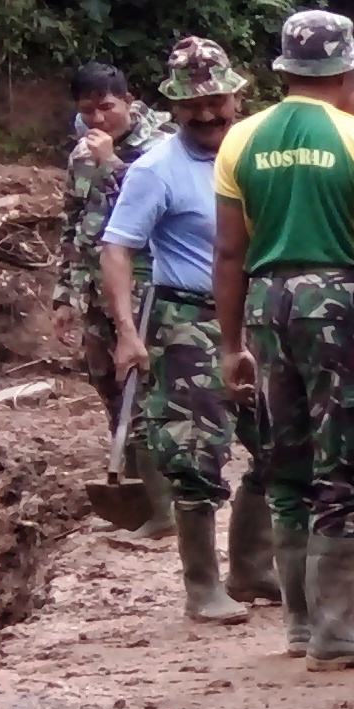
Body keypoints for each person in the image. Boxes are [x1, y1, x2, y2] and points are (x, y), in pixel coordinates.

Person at [211, 10, 354, 665]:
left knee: (284, 461)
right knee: (346, 462)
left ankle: (298, 622)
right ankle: (340, 624)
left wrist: (229, 343)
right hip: (337, 300)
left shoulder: (240, 140)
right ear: (348, 71)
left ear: (285, 70)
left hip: (267, 304)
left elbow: (230, 250)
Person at [98, 39, 267, 624]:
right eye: (191, 104)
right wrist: (125, 329)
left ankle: (252, 567)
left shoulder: (258, 153)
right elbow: (118, 247)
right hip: (188, 318)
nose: (205, 114)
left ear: (237, 97)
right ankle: (203, 586)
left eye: (216, 101)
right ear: (172, 107)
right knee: (196, 449)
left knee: (276, 441)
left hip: (260, 312)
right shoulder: (155, 170)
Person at [59, 62, 174, 534]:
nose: (98, 120)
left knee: (142, 393)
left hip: (144, 287)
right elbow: (72, 223)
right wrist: (64, 294)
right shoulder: (78, 155)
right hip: (94, 289)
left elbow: (152, 211)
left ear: (129, 101)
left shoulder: (162, 148)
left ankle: (163, 510)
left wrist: (111, 165)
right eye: (88, 112)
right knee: (108, 388)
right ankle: (131, 498)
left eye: (106, 108)